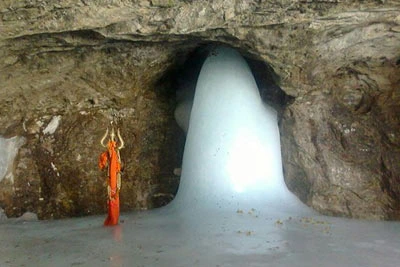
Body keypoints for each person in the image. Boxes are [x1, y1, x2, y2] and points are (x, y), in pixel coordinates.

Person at [99, 124, 124, 226]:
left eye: (113, 136)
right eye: (111, 136)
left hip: (115, 173)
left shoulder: (116, 150)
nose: (112, 137)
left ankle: (114, 217)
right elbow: (102, 143)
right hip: (111, 173)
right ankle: (112, 217)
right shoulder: (109, 149)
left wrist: (118, 134)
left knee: (115, 193)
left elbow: (118, 159)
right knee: (111, 194)